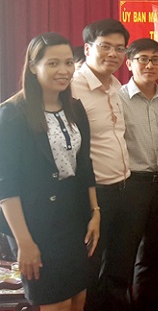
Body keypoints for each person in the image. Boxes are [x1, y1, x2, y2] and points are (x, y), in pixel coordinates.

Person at [0, 33, 100, 310]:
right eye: (53, 63)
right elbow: (6, 184)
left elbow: (85, 164)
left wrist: (95, 213)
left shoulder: (75, 109)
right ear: (33, 66)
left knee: (78, 299)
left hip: (74, 218)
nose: (64, 70)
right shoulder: (12, 114)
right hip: (36, 224)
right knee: (54, 303)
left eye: (69, 62)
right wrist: (24, 241)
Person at [71, 18, 133, 311]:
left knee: (120, 264)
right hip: (91, 195)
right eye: (105, 46)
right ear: (87, 48)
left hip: (123, 188)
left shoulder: (116, 85)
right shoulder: (72, 88)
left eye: (119, 49)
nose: (113, 54)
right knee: (90, 267)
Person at [118, 38, 158, 311]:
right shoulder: (116, 99)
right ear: (129, 63)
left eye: (155, 59)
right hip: (129, 185)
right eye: (142, 59)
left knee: (153, 255)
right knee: (123, 256)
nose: (150, 65)